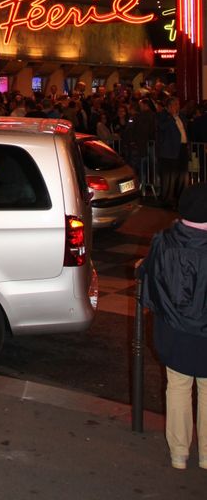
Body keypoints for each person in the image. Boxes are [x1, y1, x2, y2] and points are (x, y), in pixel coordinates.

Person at [141, 182, 207, 470]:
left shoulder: (164, 240)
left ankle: (179, 454)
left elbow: (150, 281)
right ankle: (206, 455)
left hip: (174, 331)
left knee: (178, 387)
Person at [156, 97, 190, 208]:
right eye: (175, 104)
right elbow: (162, 127)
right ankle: (167, 200)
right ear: (169, 106)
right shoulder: (163, 116)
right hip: (169, 152)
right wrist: (172, 117)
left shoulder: (181, 116)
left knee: (183, 175)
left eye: (178, 104)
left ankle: (181, 198)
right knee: (169, 178)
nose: (178, 106)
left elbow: (185, 130)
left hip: (182, 148)